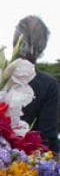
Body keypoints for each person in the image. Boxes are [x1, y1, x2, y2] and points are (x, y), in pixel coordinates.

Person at [15, 15, 59, 152]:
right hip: (25, 165)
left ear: (14, 41)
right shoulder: (49, 85)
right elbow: (47, 138)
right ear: (43, 46)